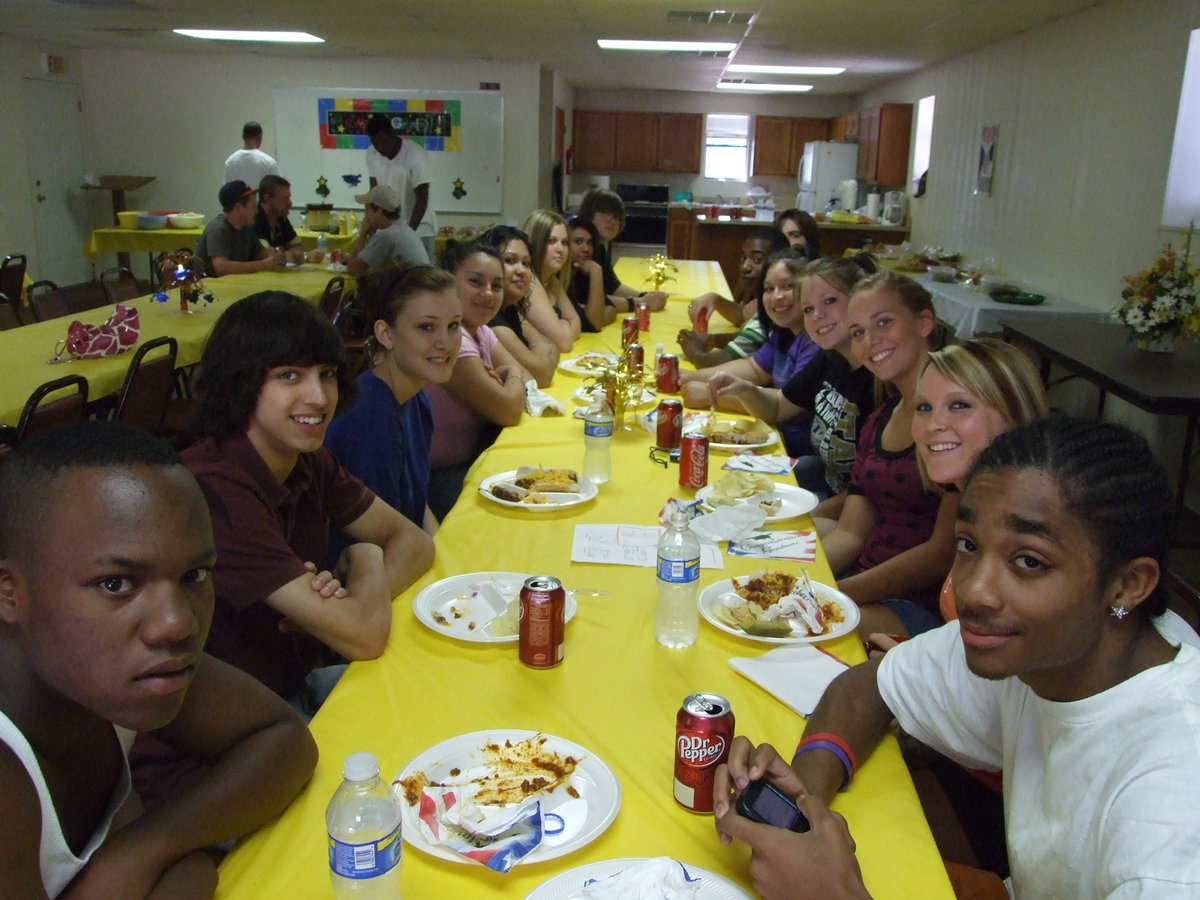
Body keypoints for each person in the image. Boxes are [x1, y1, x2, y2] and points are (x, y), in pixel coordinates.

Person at [714, 417, 1200, 900]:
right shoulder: (1043, 652)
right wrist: (805, 802)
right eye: (968, 545)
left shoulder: (1170, 823)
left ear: (1129, 584)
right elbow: (870, 687)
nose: (972, 589)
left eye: (1029, 561)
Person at [0, 420, 316, 898]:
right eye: (116, 584)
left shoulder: (108, 670)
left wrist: (144, 848)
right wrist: (188, 872)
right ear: (9, 593)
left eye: (195, 574)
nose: (177, 624)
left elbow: (284, 739)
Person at [814, 271, 957, 638]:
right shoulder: (881, 417)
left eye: (884, 322)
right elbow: (850, 532)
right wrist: (806, 584)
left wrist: (834, 596)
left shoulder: (954, 422)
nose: (870, 339)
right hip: (863, 582)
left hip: (916, 605)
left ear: (924, 323)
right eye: (858, 331)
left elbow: (940, 553)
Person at [707, 254, 879, 499]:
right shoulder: (830, 359)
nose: (817, 315)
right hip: (825, 479)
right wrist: (743, 389)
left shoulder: (879, 380)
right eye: (808, 308)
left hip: (850, 504)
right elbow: (778, 408)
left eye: (830, 301)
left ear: (860, 300)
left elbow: (868, 493)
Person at [326, 264, 462, 536]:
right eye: (427, 327)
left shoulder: (415, 398)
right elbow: (380, 540)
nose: (445, 342)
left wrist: (441, 549)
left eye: (454, 325)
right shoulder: (370, 417)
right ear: (386, 334)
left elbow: (416, 503)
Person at [425, 241, 531, 520]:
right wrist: (512, 378)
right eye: (476, 282)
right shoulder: (452, 339)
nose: (488, 294)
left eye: (497, 285)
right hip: (434, 479)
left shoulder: (479, 330)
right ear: (448, 283)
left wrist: (513, 378)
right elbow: (509, 409)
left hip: (470, 460)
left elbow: (526, 379)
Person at [679, 249, 820, 455]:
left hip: (796, 450)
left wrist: (710, 394)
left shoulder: (815, 342)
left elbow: (782, 406)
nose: (777, 296)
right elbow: (753, 368)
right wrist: (689, 376)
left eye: (788, 286)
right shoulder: (785, 331)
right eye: (769, 289)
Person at [676, 230, 788, 370]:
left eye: (757, 260)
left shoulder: (772, 312)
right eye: (743, 259)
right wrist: (713, 340)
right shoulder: (761, 304)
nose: (745, 267)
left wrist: (694, 351)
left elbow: (719, 363)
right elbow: (747, 335)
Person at [482, 226, 560, 387]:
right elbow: (544, 374)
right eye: (510, 261)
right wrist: (540, 349)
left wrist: (540, 352)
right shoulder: (491, 319)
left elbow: (554, 347)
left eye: (526, 263)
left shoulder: (510, 306)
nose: (522, 270)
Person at [578, 188, 668, 313]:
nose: (611, 220)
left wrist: (645, 295)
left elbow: (614, 287)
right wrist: (641, 302)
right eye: (604, 213)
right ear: (589, 215)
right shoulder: (580, 250)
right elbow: (589, 300)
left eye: (616, 217)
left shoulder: (598, 248)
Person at [365, 113, 436, 259]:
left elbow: (422, 200)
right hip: (391, 231)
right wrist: (371, 228)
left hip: (420, 231)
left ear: (393, 134)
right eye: (375, 143)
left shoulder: (416, 156)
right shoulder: (372, 154)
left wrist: (407, 236)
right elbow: (374, 194)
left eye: (383, 142)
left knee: (420, 278)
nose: (380, 149)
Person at [195, 180, 284, 277]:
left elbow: (261, 254)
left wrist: (275, 255)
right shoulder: (218, 229)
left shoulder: (247, 228)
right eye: (253, 207)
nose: (257, 211)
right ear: (239, 207)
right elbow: (221, 267)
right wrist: (264, 265)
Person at [521, 209, 582, 352]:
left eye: (565, 242)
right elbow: (564, 343)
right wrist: (565, 324)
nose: (560, 249)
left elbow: (577, 322)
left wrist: (563, 327)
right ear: (535, 243)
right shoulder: (529, 282)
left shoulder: (550, 278)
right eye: (551, 241)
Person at [344, 185, 429, 276]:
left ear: (379, 212)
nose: (365, 215)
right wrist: (372, 233)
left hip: (410, 288)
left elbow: (353, 269)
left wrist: (363, 234)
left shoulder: (386, 236)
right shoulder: (404, 229)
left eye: (367, 210)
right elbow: (373, 262)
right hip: (420, 285)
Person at [255, 175, 324, 265]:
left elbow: (298, 246)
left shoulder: (281, 217)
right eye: (285, 199)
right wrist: (296, 256)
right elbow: (269, 256)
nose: (290, 203)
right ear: (267, 198)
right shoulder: (254, 218)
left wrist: (289, 255)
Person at [565, 215, 616, 332]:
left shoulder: (582, 276)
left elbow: (611, 309)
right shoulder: (558, 279)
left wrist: (590, 314)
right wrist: (596, 272)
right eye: (578, 241)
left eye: (590, 243)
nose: (586, 249)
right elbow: (594, 324)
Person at [223, 120, 279, 188]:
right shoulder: (268, 162)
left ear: (243, 137)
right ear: (260, 136)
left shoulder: (230, 162)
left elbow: (226, 191)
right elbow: (278, 191)